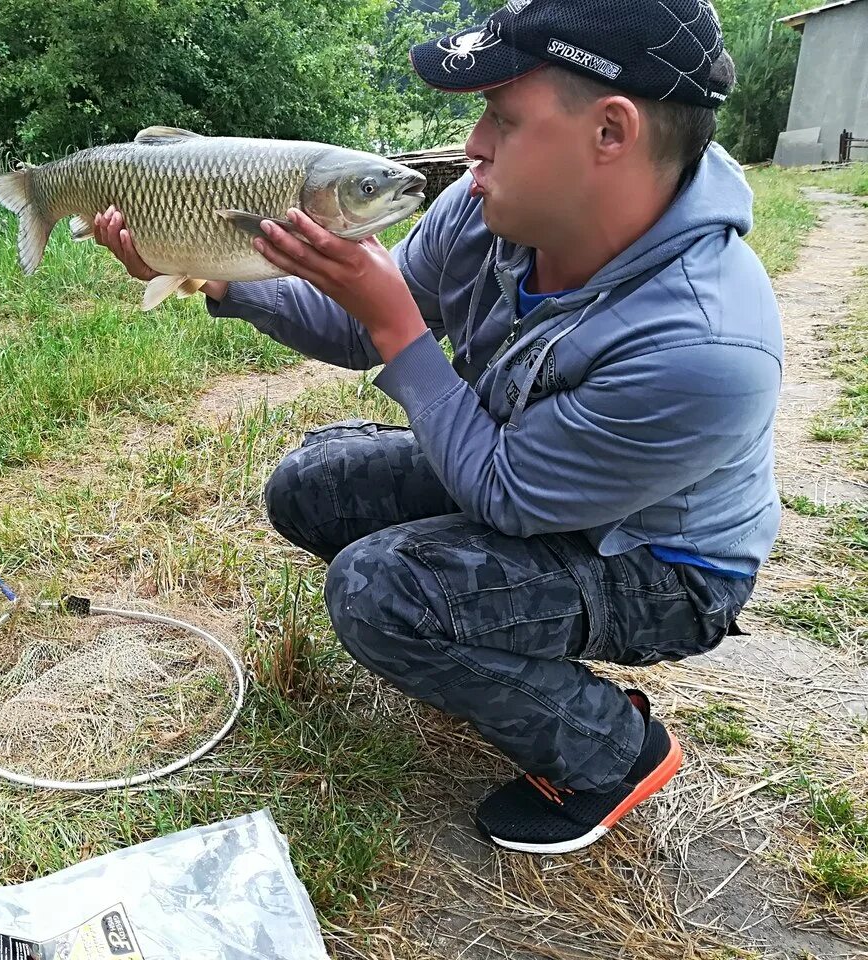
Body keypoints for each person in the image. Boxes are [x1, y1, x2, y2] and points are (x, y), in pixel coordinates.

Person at [92, 0, 782, 854]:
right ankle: (478, 642)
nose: (473, 147)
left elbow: (509, 496)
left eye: (501, 116)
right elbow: (354, 326)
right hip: (525, 477)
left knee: (381, 591)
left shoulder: (705, 342)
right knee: (310, 488)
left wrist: (400, 334)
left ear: (611, 132)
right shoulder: (492, 208)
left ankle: (611, 752)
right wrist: (218, 278)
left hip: (657, 563)